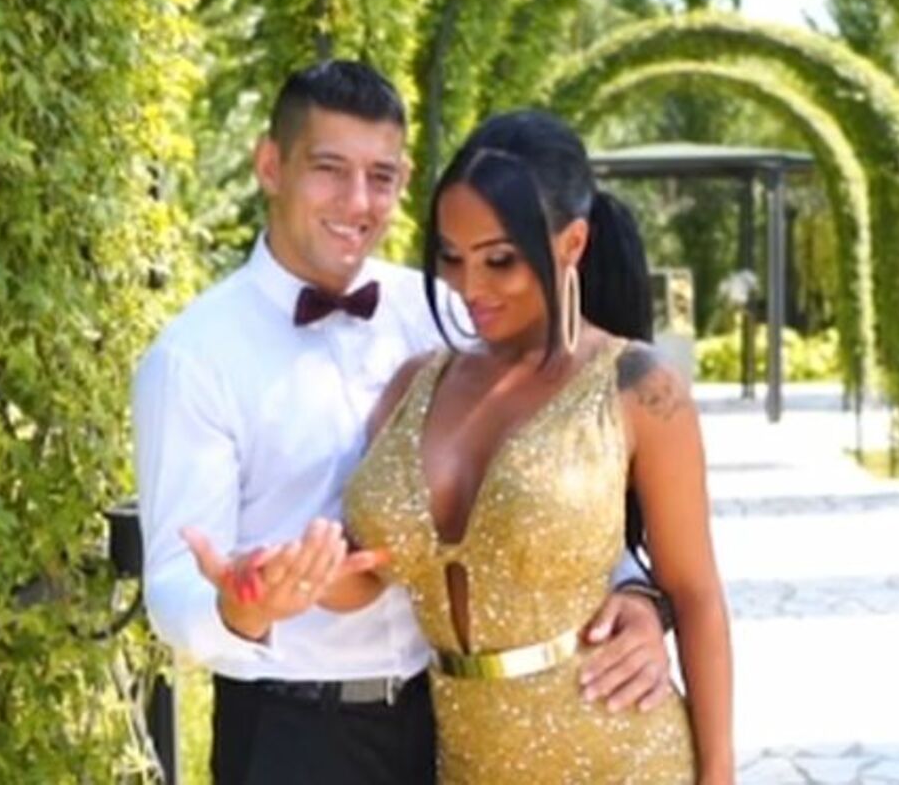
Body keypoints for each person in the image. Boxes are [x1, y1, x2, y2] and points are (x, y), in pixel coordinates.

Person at [132, 61, 676, 784]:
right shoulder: (193, 358)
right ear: (270, 166)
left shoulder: (447, 311)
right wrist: (241, 609)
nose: (357, 202)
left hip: (450, 727)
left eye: (380, 176)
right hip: (293, 739)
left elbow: (552, 478)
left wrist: (638, 595)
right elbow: (172, 588)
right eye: (329, 169)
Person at [329, 110, 735, 783]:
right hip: (466, 762)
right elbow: (365, 573)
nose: (471, 287)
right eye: (451, 257)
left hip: (623, 757)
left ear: (572, 243)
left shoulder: (640, 388)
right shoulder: (414, 387)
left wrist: (719, 776)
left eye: (499, 260)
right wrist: (296, 579)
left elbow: (695, 593)